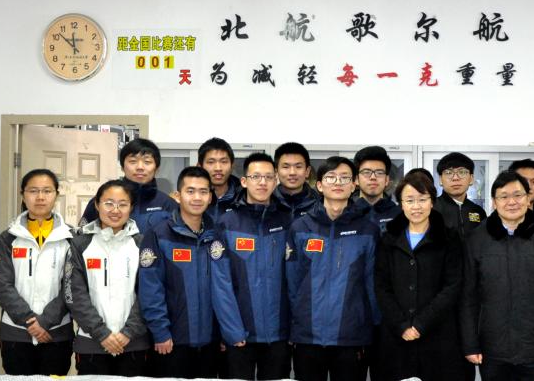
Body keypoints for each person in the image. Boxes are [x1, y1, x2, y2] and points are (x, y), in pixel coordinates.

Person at [461, 171, 534, 381]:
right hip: (492, 347)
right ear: (494, 201)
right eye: (504, 196)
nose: (511, 202)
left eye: (518, 195)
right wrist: (470, 344)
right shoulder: (476, 240)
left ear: (529, 198)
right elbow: (468, 297)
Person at [286, 156, 380, 381]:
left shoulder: (367, 230)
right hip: (308, 336)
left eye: (344, 177)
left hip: (351, 337)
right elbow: (292, 283)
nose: (338, 182)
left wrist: (373, 327)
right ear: (319, 185)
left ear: (354, 184)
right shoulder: (301, 227)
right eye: (331, 177)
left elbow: (372, 284)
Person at [375, 173, 467, 381]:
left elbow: (452, 286)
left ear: (432, 202)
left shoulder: (449, 238)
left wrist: (421, 324)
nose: (416, 206)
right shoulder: (389, 239)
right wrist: (402, 325)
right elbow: (381, 286)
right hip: (396, 335)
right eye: (410, 200)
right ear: (401, 204)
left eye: (422, 199)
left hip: (438, 334)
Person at [211, 153, 293, 380]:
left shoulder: (287, 221)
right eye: (256, 177)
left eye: (268, 177)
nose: (262, 182)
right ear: (244, 181)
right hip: (240, 335)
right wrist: (232, 331)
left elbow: (296, 281)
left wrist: (293, 327)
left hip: (279, 335)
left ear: (276, 181)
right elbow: (220, 283)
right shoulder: (227, 223)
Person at [138, 166, 221, 378]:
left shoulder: (217, 234)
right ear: (177, 195)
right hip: (172, 341)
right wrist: (160, 332)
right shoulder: (159, 234)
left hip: (211, 341)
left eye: (203, 192)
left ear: (210, 197)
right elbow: (150, 289)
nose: (197, 197)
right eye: (190, 191)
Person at [64, 179, 151, 376]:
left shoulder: (142, 244)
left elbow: (149, 293)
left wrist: (128, 332)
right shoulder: (80, 244)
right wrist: (101, 333)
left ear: (131, 208)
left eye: (123, 204)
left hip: (134, 345)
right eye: (109, 203)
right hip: (91, 344)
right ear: (97, 204)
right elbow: (75, 294)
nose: (115, 210)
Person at [0, 169, 74, 375]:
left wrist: (45, 322)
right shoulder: (9, 237)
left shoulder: (72, 237)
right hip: (16, 334)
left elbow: (73, 286)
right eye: (33, 191)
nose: (40, 197)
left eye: (47, 191)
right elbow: (1, 283)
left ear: (56, 195)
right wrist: (31, 321)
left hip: (56, 333)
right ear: (23, 195)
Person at [80, 138, 178, 234]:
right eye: (133, 161)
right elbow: (82, 236)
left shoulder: (168, 204)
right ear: (122, 167)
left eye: (147, 162)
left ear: (157, 168)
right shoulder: (103, 201)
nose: (140, 167)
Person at [434, 152, 487, 240]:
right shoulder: (431, 209)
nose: (455, 178)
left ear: (471, 179)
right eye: (448, 172)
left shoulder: (478, 211)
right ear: (440, 179)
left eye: (462, 172)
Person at [354, 145, 402, 232]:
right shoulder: (345, 215)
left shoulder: (400, 215)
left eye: (379, 173)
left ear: (386, 180)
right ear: (356, 179)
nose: (373, 177)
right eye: (366, 172)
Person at [273, 142, 321, 222]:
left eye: (298, 167)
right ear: (276, 172)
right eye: (286, 167)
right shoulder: (266, 203)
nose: (292, 172)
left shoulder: (320, 204)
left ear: (307, 171)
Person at [199, 137, 243, 222]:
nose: (218, 168)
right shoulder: (192, 197)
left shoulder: (244, 196)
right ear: (200, 166)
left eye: (224, 162)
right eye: (211, 162)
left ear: (232, 165)